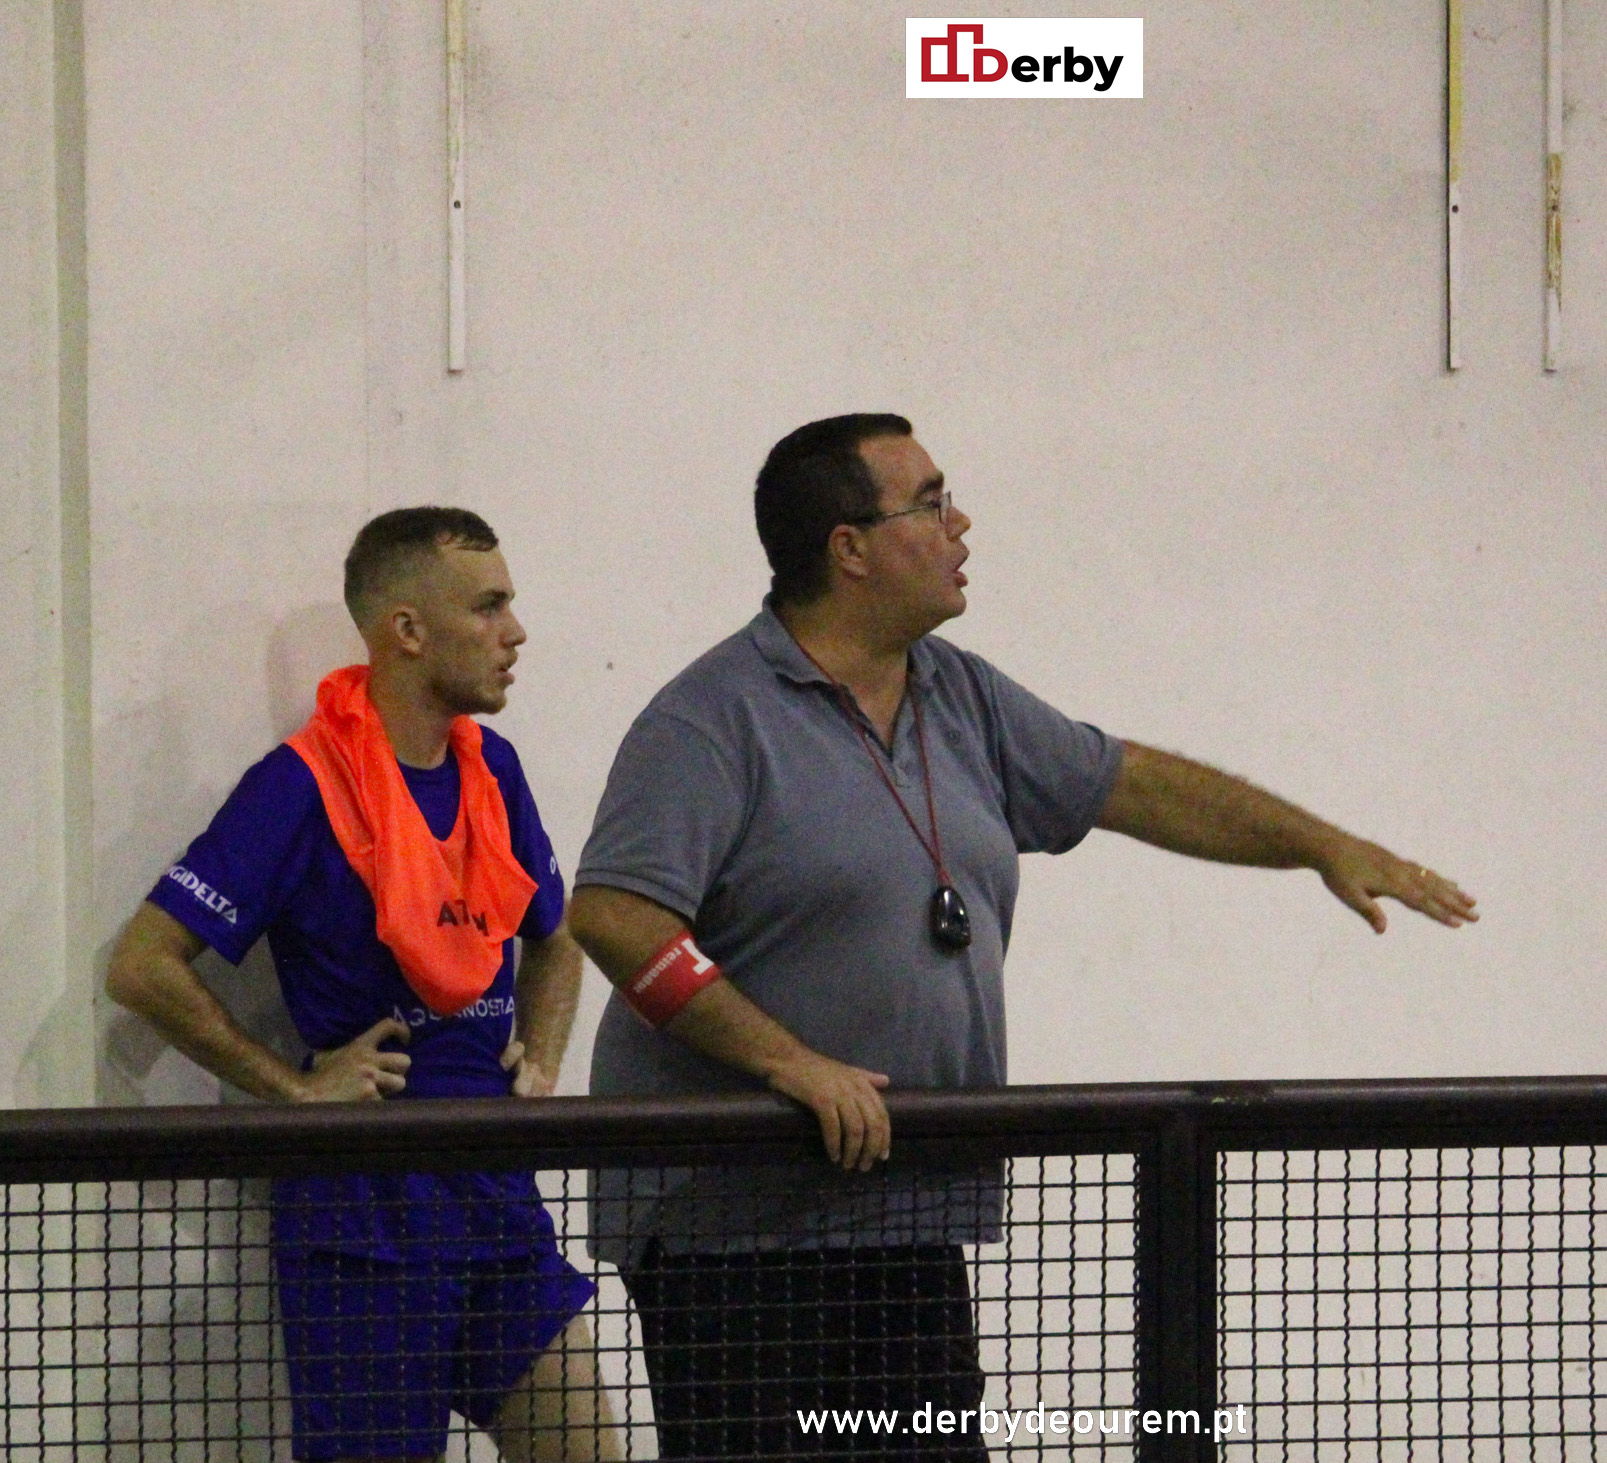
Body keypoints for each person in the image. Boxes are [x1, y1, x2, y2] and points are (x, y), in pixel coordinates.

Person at [568, 414, 1478, 1461]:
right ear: (847, 547)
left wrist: (1319, 843)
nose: (962, 522)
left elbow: (1127, 783)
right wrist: (792, 1065)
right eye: (930, 501)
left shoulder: (960, 693)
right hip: (735, 1233)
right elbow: (616, 914)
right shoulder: (711, 718)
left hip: (902, 1210)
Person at [106, 508, 620, 1463]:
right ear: (407, 630)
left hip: (497, 1201)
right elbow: (141, 965)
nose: (517, 631)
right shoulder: (297, 785)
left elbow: (560, 934)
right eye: (490, 604)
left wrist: (542, 1058)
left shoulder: (493, 769)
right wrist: (295, 1090)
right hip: (365, 1229)